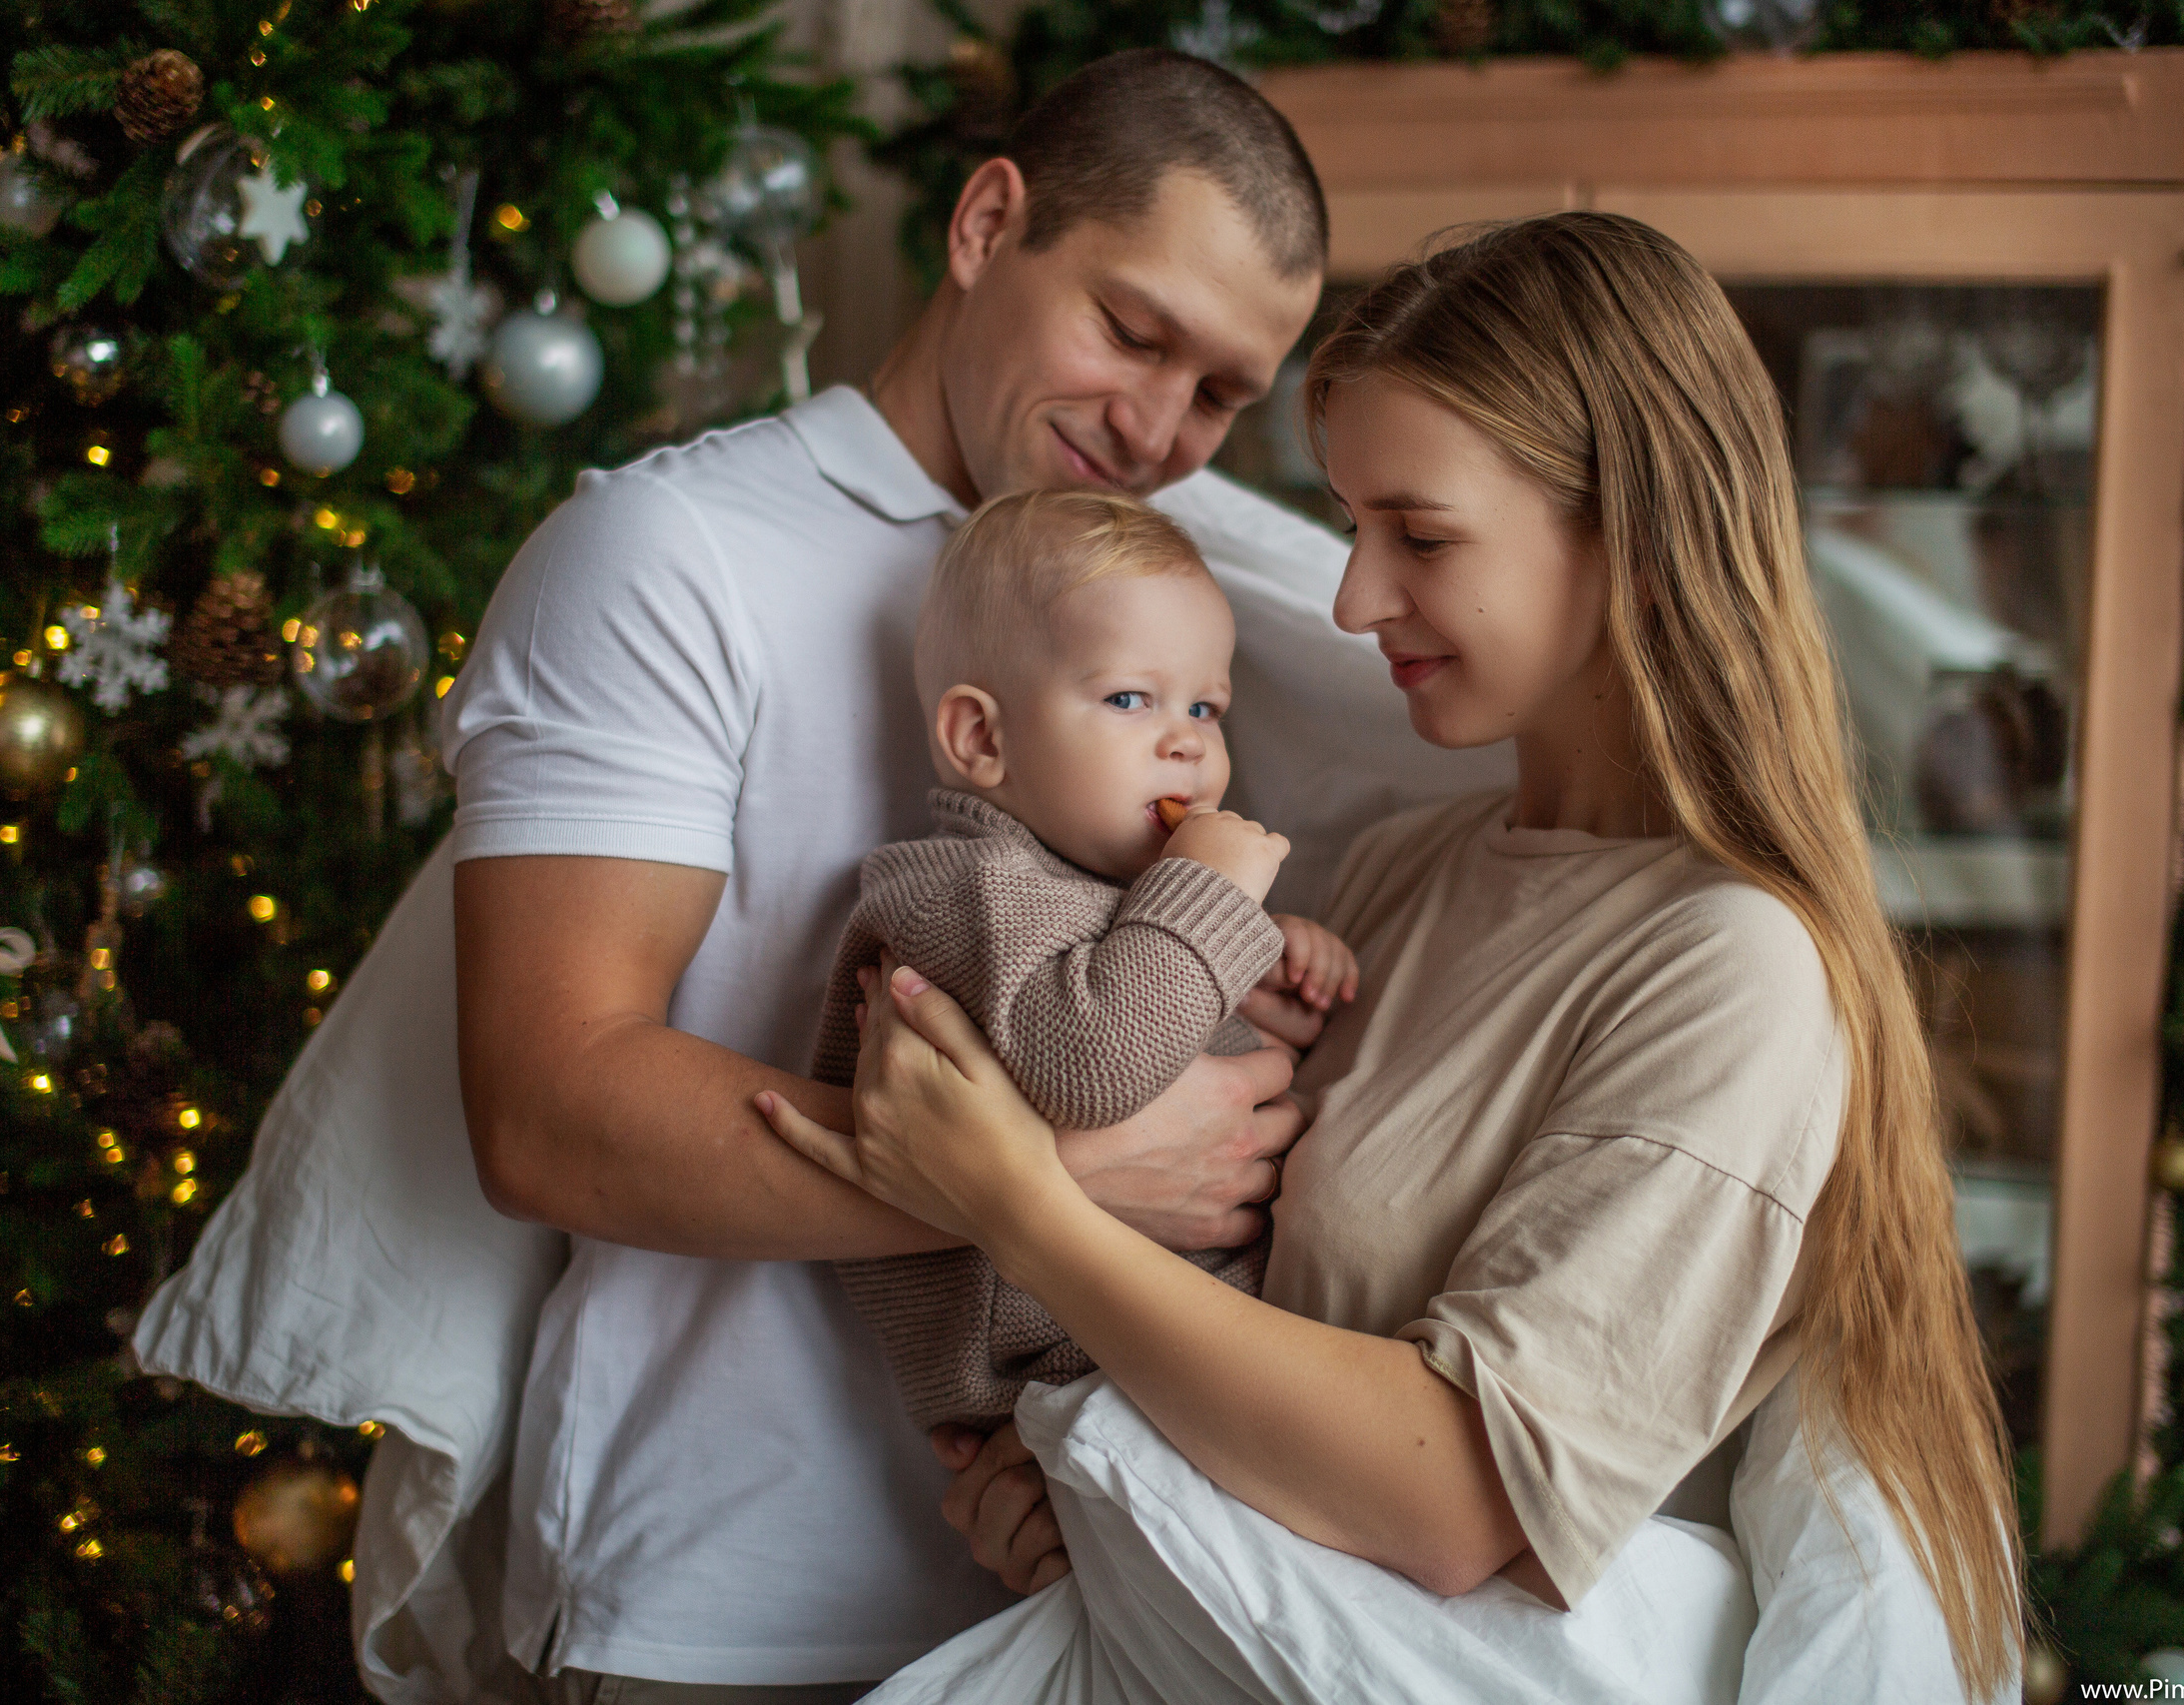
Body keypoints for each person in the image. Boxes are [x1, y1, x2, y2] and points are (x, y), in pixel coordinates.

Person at [129, 47, 1502, 1705]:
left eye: (1220, 391)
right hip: (725, 1598)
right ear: (990, 221)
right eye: (1133, 333)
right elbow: (551, 1107)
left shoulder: (1182, 598)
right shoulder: (670, 559)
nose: (1159, 429)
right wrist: (1052, 1183)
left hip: (1096, 1581)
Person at [758, 212, 2024, 1703]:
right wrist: (1083, 1494)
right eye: (1351, 527)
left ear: (1631, 534)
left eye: (1417, 536)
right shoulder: (1416, 871)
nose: (1355, 601)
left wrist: (1027, 1211)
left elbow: (1455, 1493)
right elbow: (1250, 1345)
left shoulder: (1731, 966)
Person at [817, 488, 1359, 1433]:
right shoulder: (961, 888)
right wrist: (1215, 904)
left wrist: (1259, 966)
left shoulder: (1097, 889)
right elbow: (1091, 1064)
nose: (1186, 737)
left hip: (1165, 1345)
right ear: (982, 738)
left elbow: (1145, 991)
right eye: (1128, 698)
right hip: (1064, 1376)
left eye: (1206, 704)